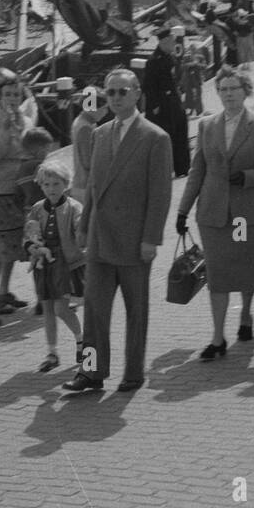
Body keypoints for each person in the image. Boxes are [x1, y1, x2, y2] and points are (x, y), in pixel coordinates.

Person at [63, 69, 173, 394]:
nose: (114, 98)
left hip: (134, 239)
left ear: (137, 93)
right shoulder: (100, 133)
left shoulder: (156, 137)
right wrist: (83, 227)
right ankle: (92, 372)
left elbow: (160, 194)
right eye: (109, 93)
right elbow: (95, 187)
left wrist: (151, 238)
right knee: (95, 309)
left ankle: (134, 373)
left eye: (122, 91)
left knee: (135, 310)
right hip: (100, 237)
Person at [176, 68, 254, 358]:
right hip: (213, 212)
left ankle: (246, 313)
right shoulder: (207, 125)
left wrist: (248, 176)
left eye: (233, 88)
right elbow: (197, 170)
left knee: (246, 267)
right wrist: (183, 210)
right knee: (219, 275)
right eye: (223, 89)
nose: (228, 94)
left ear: (244, 90)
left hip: (246, 213)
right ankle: (217, 337)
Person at [24, 161, 85, 373]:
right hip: (43, 264)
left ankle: (81, 341)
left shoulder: (74, 207)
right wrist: (32, 247)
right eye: (46, 184)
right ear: (41, 186)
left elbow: (81, 231)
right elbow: (29, 233)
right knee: (47, 308)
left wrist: (82, 238)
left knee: (62, 308)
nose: (51, 189)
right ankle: (52, 352)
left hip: (65, 263)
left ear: (65, 184)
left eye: (56, 184)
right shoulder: (37, 208)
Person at [0, 78, 31, 314]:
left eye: (16, 95)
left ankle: (4, 290)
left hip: (20, 190)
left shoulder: (27, 121)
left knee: (13, 245)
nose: (13, 99)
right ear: (0, 97)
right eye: (8, 94)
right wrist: (4, 132)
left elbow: (31, 152)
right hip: (0, 189)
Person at [143, 26, 190, 176]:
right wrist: (155, 106)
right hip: (162, 106)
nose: (174, 44)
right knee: (165, 138)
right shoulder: (153, 61)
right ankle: (164, 170)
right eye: (171, 41)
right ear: (164, 41)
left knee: (181, 134)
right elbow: (148, 86)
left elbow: (174, 78)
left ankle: (182, 168)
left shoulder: (171, 57)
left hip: (174, 102)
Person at [69, 90, 108, 206]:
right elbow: (88, 161)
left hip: (82, 185)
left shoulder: (82, 122)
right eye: (104, 108)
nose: (106, 112)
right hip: (85, 186)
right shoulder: (85, 128)